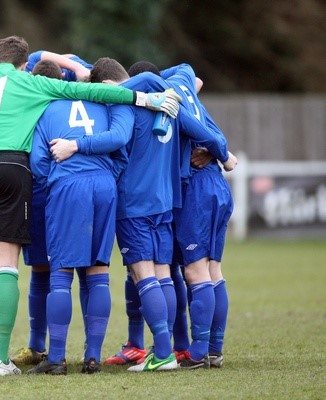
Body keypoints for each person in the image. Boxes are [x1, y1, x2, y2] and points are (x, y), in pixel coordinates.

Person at [0, 35, 181, 377]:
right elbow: (95, 92)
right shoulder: (33, 83)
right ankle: (2, 360)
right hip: (16, 170)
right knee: (7, 266)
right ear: (23, 65)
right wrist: (144, 98)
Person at [50, 57, 234, 372]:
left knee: (143, 274)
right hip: (166, 203)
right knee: (165, 274)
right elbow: (208, 130)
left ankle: (162, 353)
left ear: (108, 87)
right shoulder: (171, 105)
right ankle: (176, 350)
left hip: (133, 204)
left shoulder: (124, 106)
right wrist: (224, 154)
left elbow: (117, 138)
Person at [25, 60, 123, 375]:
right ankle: (93, 358)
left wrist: (56, 180)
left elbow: (38, 161)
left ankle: (56, 358)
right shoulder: (102, 103)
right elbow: (121, 153)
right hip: (104, 186)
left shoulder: (46, 109)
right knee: (98, 272)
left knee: (61, 274)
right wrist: (105, 175)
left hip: (68, 187)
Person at [13, 51, 93, 367]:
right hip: (63, 191)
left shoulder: (36, 103)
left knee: (50, 270)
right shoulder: (75, 95)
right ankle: (83, 349)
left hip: (45, 189)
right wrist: (75, 65)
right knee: (60, 268)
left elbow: (32, 56)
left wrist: (72, 65)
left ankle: (43, 345)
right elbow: (87, 66)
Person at [158, 62, 236, 369]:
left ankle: (199, 351)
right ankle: (214, 349)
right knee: (213, 270)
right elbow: (193, 75)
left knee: (195, 272)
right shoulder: (190, 90)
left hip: (197, 190)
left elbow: (214, 140)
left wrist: (222, 153)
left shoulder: (171, 100)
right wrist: (221, 155)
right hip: (216, 186)